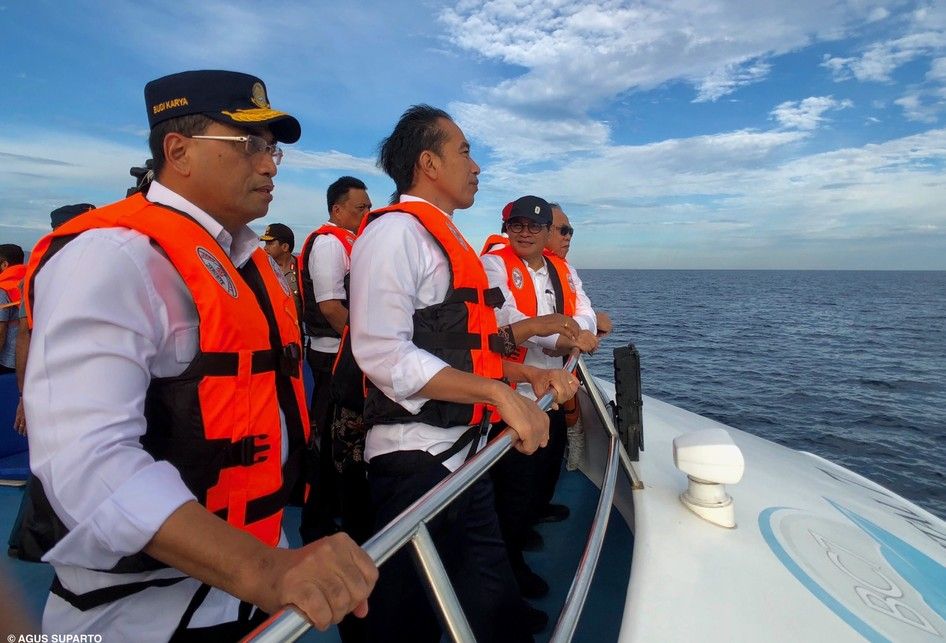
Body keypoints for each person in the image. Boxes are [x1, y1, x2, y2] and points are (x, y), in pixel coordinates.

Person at [21, 69, 376, 639]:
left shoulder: (245, 262)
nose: (269, 164)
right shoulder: (114, 256)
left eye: (273, 148)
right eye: (249, 145)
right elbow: (87, 463)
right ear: (178, 151)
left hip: (252, 584)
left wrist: (268, 560)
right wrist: (261, 568)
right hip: (146, 612)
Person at [349, 105, 577, 642]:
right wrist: (497, 392)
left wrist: (521, 374)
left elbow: (459, 349)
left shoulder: (443, 238)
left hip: (464, 457)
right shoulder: (396, 236)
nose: (476, 166)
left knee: (492, 606)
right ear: (429, 163)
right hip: (416, 462)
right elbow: (383, 353)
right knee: (404, 619)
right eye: (465, 151)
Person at [481, 196, 598, 597]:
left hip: (552, 391)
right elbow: (506, 322)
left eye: (535, 226)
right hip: (513, 394)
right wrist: (562, 339)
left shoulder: (561, 269)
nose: (525, 232)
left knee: (540, 472)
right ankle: (507, 571)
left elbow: (585, 312)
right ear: (508, 228)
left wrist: (572, 331)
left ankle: (526, 527)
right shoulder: (494, 265)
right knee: (512, 489)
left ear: (546, 230)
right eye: (517, 225)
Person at [297, 176, 372, 545]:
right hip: (332, 359)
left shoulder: (353, 243)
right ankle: (317, 525)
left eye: (369, 207)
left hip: (346, 355)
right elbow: (330, 307)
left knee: (343, 440)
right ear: (337, 210)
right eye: (361, 208)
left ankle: (339, 512)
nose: (367, 213)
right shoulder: (329, 245)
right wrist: (370, 342)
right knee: (327, 440)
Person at [546, 203, 612, 337]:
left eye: (571, 232)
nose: (568, 237)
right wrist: (589, 323)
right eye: (563, 231)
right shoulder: (522, 267)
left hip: (561, 356)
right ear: (544, 231)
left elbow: (586, 312)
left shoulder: (568, 270)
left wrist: (590, 321)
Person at [259, 222, 302, 320]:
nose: (265, 248)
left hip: (299, 331)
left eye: (270, 243)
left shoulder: (303, 269)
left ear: (285, 247)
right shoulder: (260, 269)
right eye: (265, 243)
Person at [0, 244, 26, 375]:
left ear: (4, 264)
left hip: (6, 361)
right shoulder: (28, 285)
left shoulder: (3, 289)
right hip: (27, 358)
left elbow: (0, 331)